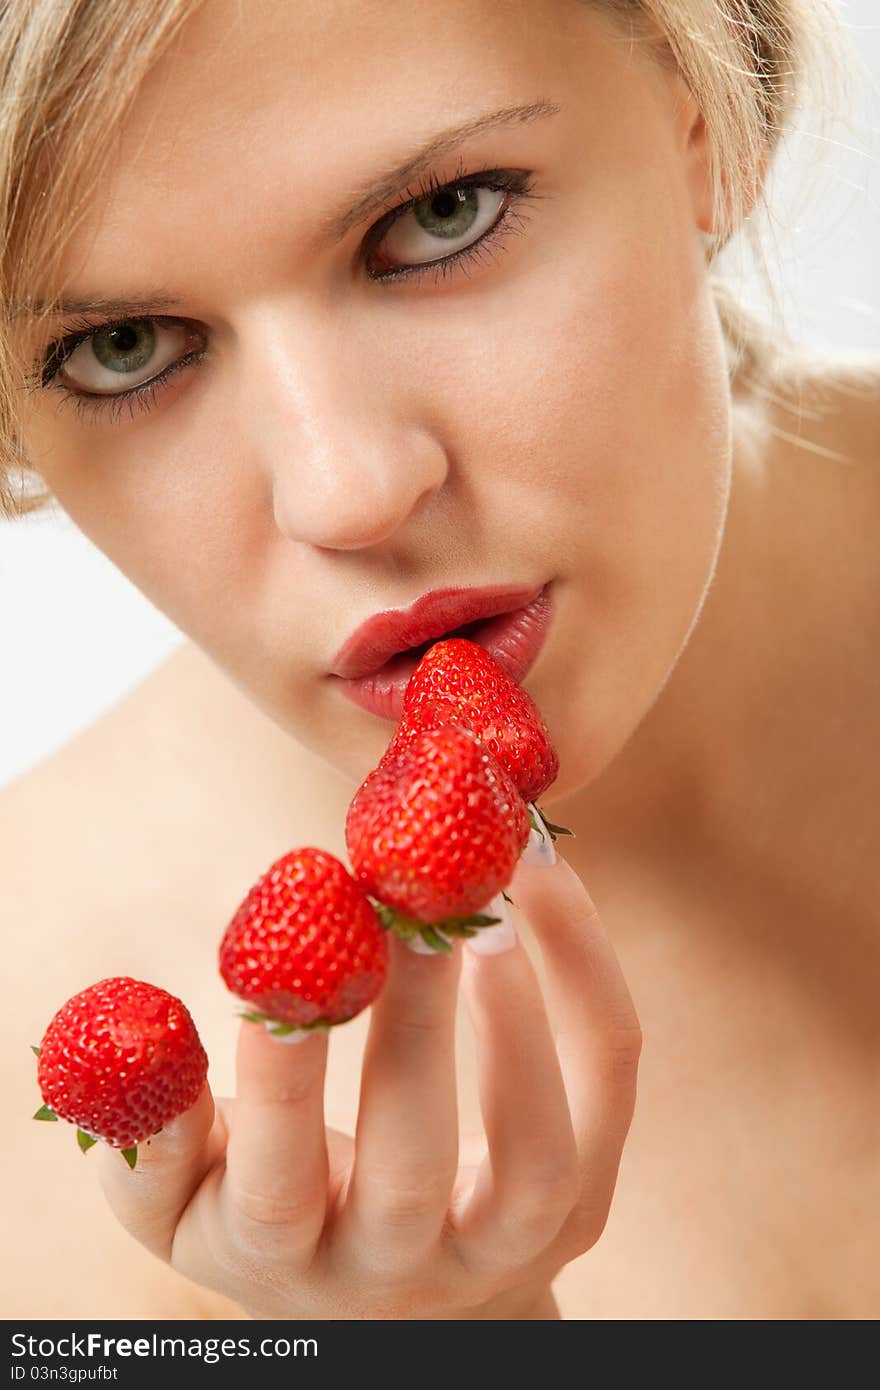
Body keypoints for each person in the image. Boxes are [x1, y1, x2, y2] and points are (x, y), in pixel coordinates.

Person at [1, 0, 877, 1321]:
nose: (343, 489)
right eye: (122, 347)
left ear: (713, 117)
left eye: (445, 214)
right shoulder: (54, 1180)